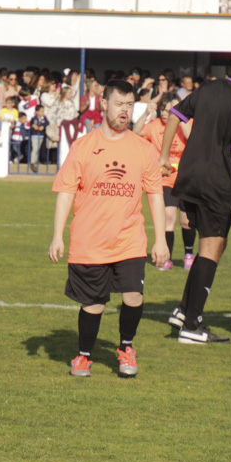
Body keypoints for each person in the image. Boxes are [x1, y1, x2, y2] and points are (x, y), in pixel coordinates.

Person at [50, 80, 168, 377]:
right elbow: (66, 191)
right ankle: (83, 356)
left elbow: (155, 194)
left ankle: (126, 348)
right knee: (94, 305)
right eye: (119, 104)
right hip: (89, 241)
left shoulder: (142, 149)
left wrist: (161, 239)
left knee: (133, 297)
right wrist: (57, 235)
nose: (124, 111)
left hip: (129, 239)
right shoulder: (83, 146)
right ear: (103, 104)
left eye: (129, 105)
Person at [161, 47, 231, 344]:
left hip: (189, 177)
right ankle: (192, 326)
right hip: (216, 183)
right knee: (213, 247)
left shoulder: (209, 87)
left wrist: (163, 156)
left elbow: (174, 114)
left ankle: (184, 311)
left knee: (205, 246)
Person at [139, 92, 196, 271]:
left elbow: (190, 136)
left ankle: (188, 254)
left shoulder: (187, 124)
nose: (165, 113)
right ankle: (167, 258)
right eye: (163, 109)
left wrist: (181, 116)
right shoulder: (154, 126)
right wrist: (146, 113)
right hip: (164, 179)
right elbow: (136, 132)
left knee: (186, 221)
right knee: (168, 218)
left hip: (186, 179)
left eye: (169, 109)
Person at [29, 105, 49, 172]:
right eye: (41, 111)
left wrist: (43, 127)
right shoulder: (34, 118)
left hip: (41, 135)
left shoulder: (44, 118)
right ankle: (32, 162)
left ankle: (35, 161)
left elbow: (47, 123)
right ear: (37, 112)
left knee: (38, 148)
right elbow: (32, 123)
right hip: (35, 135)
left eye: (43, 111)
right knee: (35, 148)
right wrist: (34, 126)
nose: (43, 112)